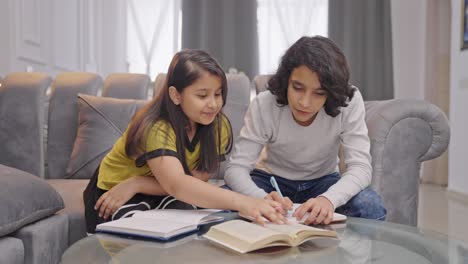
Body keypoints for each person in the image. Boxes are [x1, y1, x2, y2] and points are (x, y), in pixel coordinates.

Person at [83, 50, 286, 233]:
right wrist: (245, 202)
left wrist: (139, 183)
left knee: (204, 227)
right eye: (202, 95)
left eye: (218, 94)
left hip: (156, 189)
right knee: (141, 236)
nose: (214, 104)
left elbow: (196, 181)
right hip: (117, 191)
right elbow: (177, 184)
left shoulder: (217, 126)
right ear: (176, 95)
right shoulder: (156, 126)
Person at [224, 36, 387, 225]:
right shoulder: (265, 103)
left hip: (324, 182)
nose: (304, 102)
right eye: (297, 88)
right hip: (270, 182)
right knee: (221, 201)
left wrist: (329, 199)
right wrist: (259, 198)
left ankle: (358, 256)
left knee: (370, 205)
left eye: (319, 93)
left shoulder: (348, 102)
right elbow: (236, 169)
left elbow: (361, 168)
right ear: (286, 81)